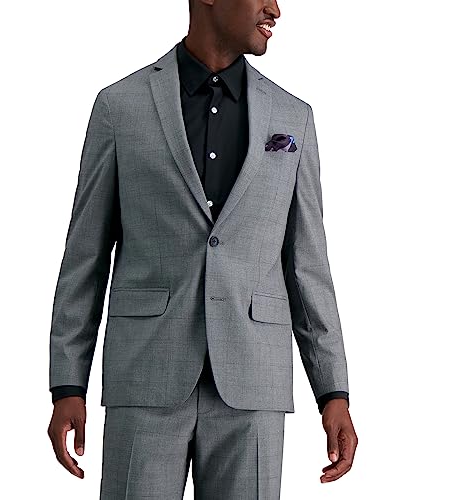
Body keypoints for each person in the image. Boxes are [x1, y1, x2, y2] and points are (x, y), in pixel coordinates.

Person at [47, 0, 358, 498]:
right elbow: (85, 256)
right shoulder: (121, 107)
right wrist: (68, 384)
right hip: (145, 375)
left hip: (254, 382)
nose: (275, 9)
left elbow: (307, 267)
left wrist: (333, 391)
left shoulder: (292, 117)